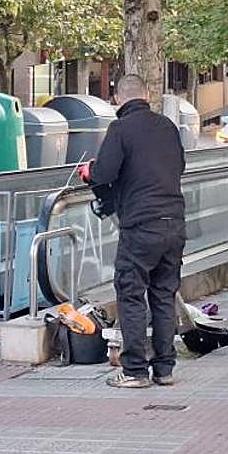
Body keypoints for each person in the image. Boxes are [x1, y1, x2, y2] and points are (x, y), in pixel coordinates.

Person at [79, 74, 186, 389]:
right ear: (148, 94)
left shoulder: (120, 129)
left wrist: (89, 171)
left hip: (141, 226)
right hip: (174, 221)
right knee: (164, 295)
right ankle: (164, 369)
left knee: (131, 294)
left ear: (117, 99)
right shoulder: (167, 127)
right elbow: (179, 166)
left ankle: (135, 371)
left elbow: (105, 172)